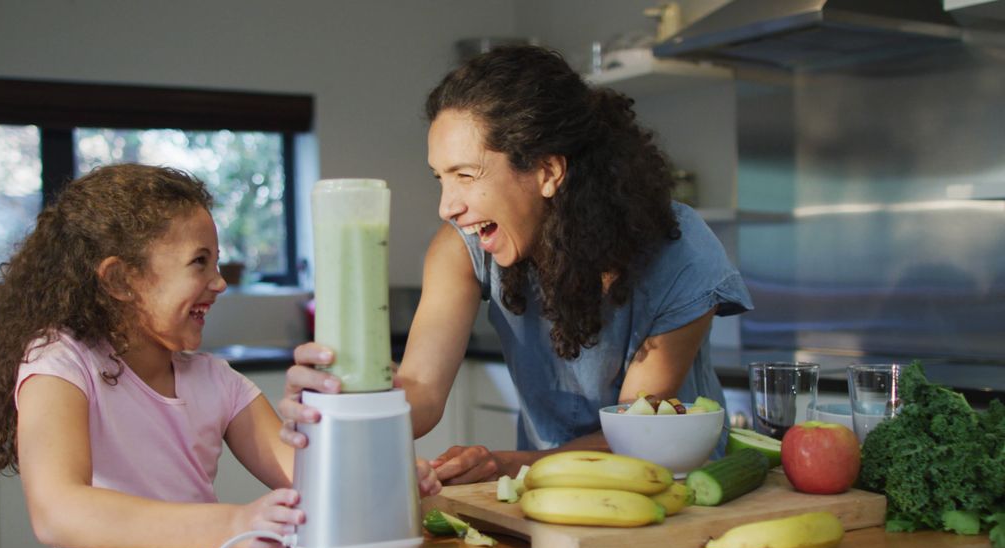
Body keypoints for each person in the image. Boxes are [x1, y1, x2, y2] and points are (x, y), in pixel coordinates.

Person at [280, 45, 752, 485]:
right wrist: (346, 397)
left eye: (466, 175)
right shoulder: (460, 250)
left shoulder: (681, 253)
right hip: (541, 490)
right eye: (441, 178)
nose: (447, 207)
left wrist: (508, 465)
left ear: (547, 171)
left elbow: (638, 435)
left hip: (680, 492)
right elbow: (421, 389)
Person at [0, 164, 440, 548]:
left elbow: (310, 482)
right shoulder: (60, 364)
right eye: (199, 263)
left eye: (217, 263)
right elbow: (58, 512)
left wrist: (381, 469)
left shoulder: (216, 381)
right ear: (121, 279)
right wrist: (234, 522)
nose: (219, 282)